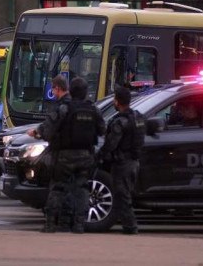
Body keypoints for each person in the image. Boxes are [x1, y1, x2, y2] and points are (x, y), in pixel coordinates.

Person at [27, 75, 105, 234]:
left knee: (57, 188)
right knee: (82, 189)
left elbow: (48, 131)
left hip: (64, 155)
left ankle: (50, 224)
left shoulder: (64, 109)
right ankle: (78, 225)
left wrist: (37, 134)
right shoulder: (93, 110)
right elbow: (102, 130)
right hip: (86, 156)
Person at [97, 86, 146, 235]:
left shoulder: (120, 122)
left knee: (122, 195)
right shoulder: (138, 117)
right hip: (134, 162)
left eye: (114, 99)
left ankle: (131, 227)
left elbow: (111, 144)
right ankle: (126, 225)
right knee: (125, 194)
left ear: (117, 101)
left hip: (122, 164)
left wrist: (99, 156)